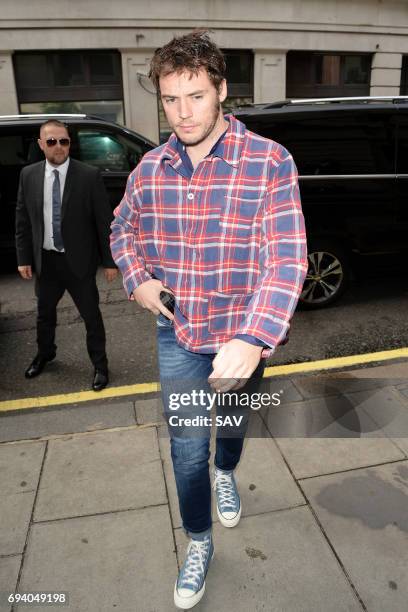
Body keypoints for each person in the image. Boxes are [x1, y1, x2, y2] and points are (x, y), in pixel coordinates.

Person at [110, 30, 308, 609]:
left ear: (222, 90)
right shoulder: (150, 169)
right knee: (186, 449)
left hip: (242, 336)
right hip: (180, 334)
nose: (183, 113)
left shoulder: (269, 161)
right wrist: (137, 277)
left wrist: (254, 336)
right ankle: (199, 542)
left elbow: (287, 256)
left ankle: (230, 470)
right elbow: (123, 229)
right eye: (171, 100)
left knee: (236, 424)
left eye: (195, 96)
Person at [15, 119, 117, 391]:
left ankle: (100, 366)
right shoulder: (29, 175)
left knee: (91, 317)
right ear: (40, 144)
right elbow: (23, 219)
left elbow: (103, 222)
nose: (58, 147)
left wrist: (109, 261)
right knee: (44, 315)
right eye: (51, 141)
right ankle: (45, 354)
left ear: (70, 143)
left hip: (79, 263)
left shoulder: (88, 175)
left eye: (64, 141)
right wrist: (23, 257)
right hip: (46, 262)